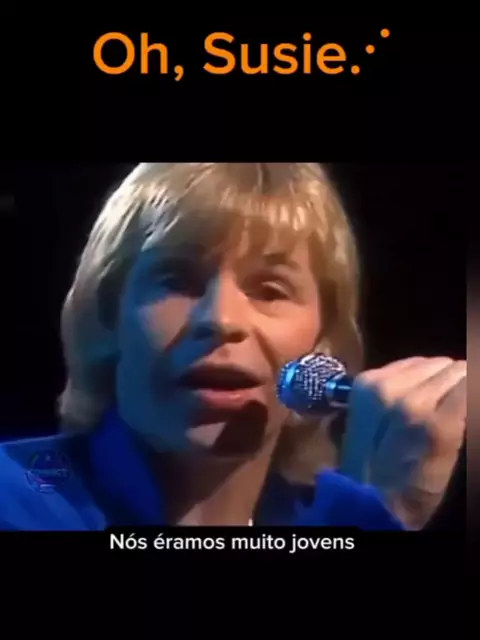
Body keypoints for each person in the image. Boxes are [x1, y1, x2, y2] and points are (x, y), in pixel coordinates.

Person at [0, 163, 466, 530]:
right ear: (108, 317)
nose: (221, 319)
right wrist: (374, 516)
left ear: (322, 348)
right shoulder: (16, 498)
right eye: (177, 280)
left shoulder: (314, 513)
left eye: (270, 289)